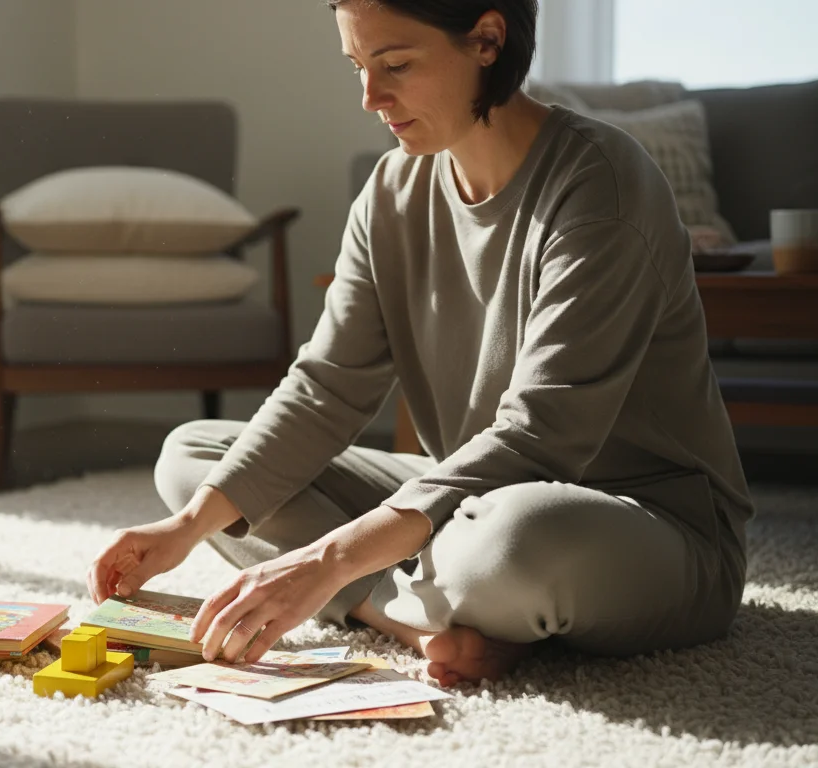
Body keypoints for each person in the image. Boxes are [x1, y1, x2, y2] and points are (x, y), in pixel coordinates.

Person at [85, 0, 754, 687]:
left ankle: (420, 593)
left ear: (487, 40)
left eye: (395, 64)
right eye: (358, 66)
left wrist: (328, 561)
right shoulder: (390, 192)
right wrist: (189, 527)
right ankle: (414, 619)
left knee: (516, 540)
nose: (371, 97)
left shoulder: (604, 187)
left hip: (638, 524)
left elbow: (541, 438)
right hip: (470, 496)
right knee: (196, 460)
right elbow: (326, 388)